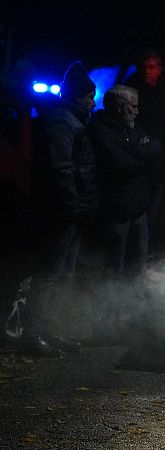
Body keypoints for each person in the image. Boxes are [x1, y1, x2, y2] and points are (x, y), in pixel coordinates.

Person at [20, 61, 98, 356]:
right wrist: (72, 205)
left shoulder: (72, 121)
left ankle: (51, 330)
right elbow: (62, 168)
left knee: (64, 272)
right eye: (89, 97)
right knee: (51, 273)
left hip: (70, 209)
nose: (93, 102)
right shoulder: (64, 123)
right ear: (78, 97)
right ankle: (34, 334)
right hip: (61, 210)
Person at [89, 85, 159, 277]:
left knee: (139, 262)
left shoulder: (132, 127)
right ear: (119, 108)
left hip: (138, 207)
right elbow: (119, 164)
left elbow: (155, 148)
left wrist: (136, 152)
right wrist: (142, 154)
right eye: (133, 107)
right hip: (117, 208)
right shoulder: (101, 129)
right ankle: (111, 303)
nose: (137, 112)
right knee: (114, 265)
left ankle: (134, 302)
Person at [124, 50, 165, 251]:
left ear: (159, 69)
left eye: (152, 67)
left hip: (161, 155)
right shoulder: (134, 90)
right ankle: (138, 250)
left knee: (156, 204)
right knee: (140, 205)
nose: (148, 71)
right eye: (145, 67)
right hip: (141, 155)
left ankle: (149, 247)